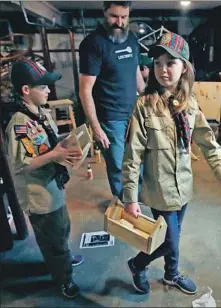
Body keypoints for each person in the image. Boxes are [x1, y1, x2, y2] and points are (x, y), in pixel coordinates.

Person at [122, 32, 221, 295]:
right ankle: (138, 264)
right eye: (157, 63)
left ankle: (170, 275)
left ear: (184, 67)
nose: (162, 70)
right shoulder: (143, 106)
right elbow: (132, 155)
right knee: (169, 240)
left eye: (170, 63)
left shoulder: (189, 104)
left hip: (183, 186)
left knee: (174, 235)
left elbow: (207, 140)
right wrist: (130, 197)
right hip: (158, 190)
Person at [5, 58, 83, 298]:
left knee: (62, 228)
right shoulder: (20, 123)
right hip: (39, 196)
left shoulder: (40, 113)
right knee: (53, 239)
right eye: (43, 86)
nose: (49, 90)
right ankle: (64, 279)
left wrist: (68, 144)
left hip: (52, 187)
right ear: (26, 90)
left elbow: (49, 142)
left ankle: (62, 259)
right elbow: (22, 164)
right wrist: (56, 154)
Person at [79, 1, 145, 200]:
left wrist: (148, 100)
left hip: (134, 112)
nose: (119, 22)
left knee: (138, 159)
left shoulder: (132, 39)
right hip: (110, 117)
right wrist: (96, 128)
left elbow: (136, 75)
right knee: (117, 164)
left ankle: (138, 197)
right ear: (104, 13)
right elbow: (85, 90)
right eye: (114, 16)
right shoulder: (93, 44)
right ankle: (124, 201)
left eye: (124, 17)